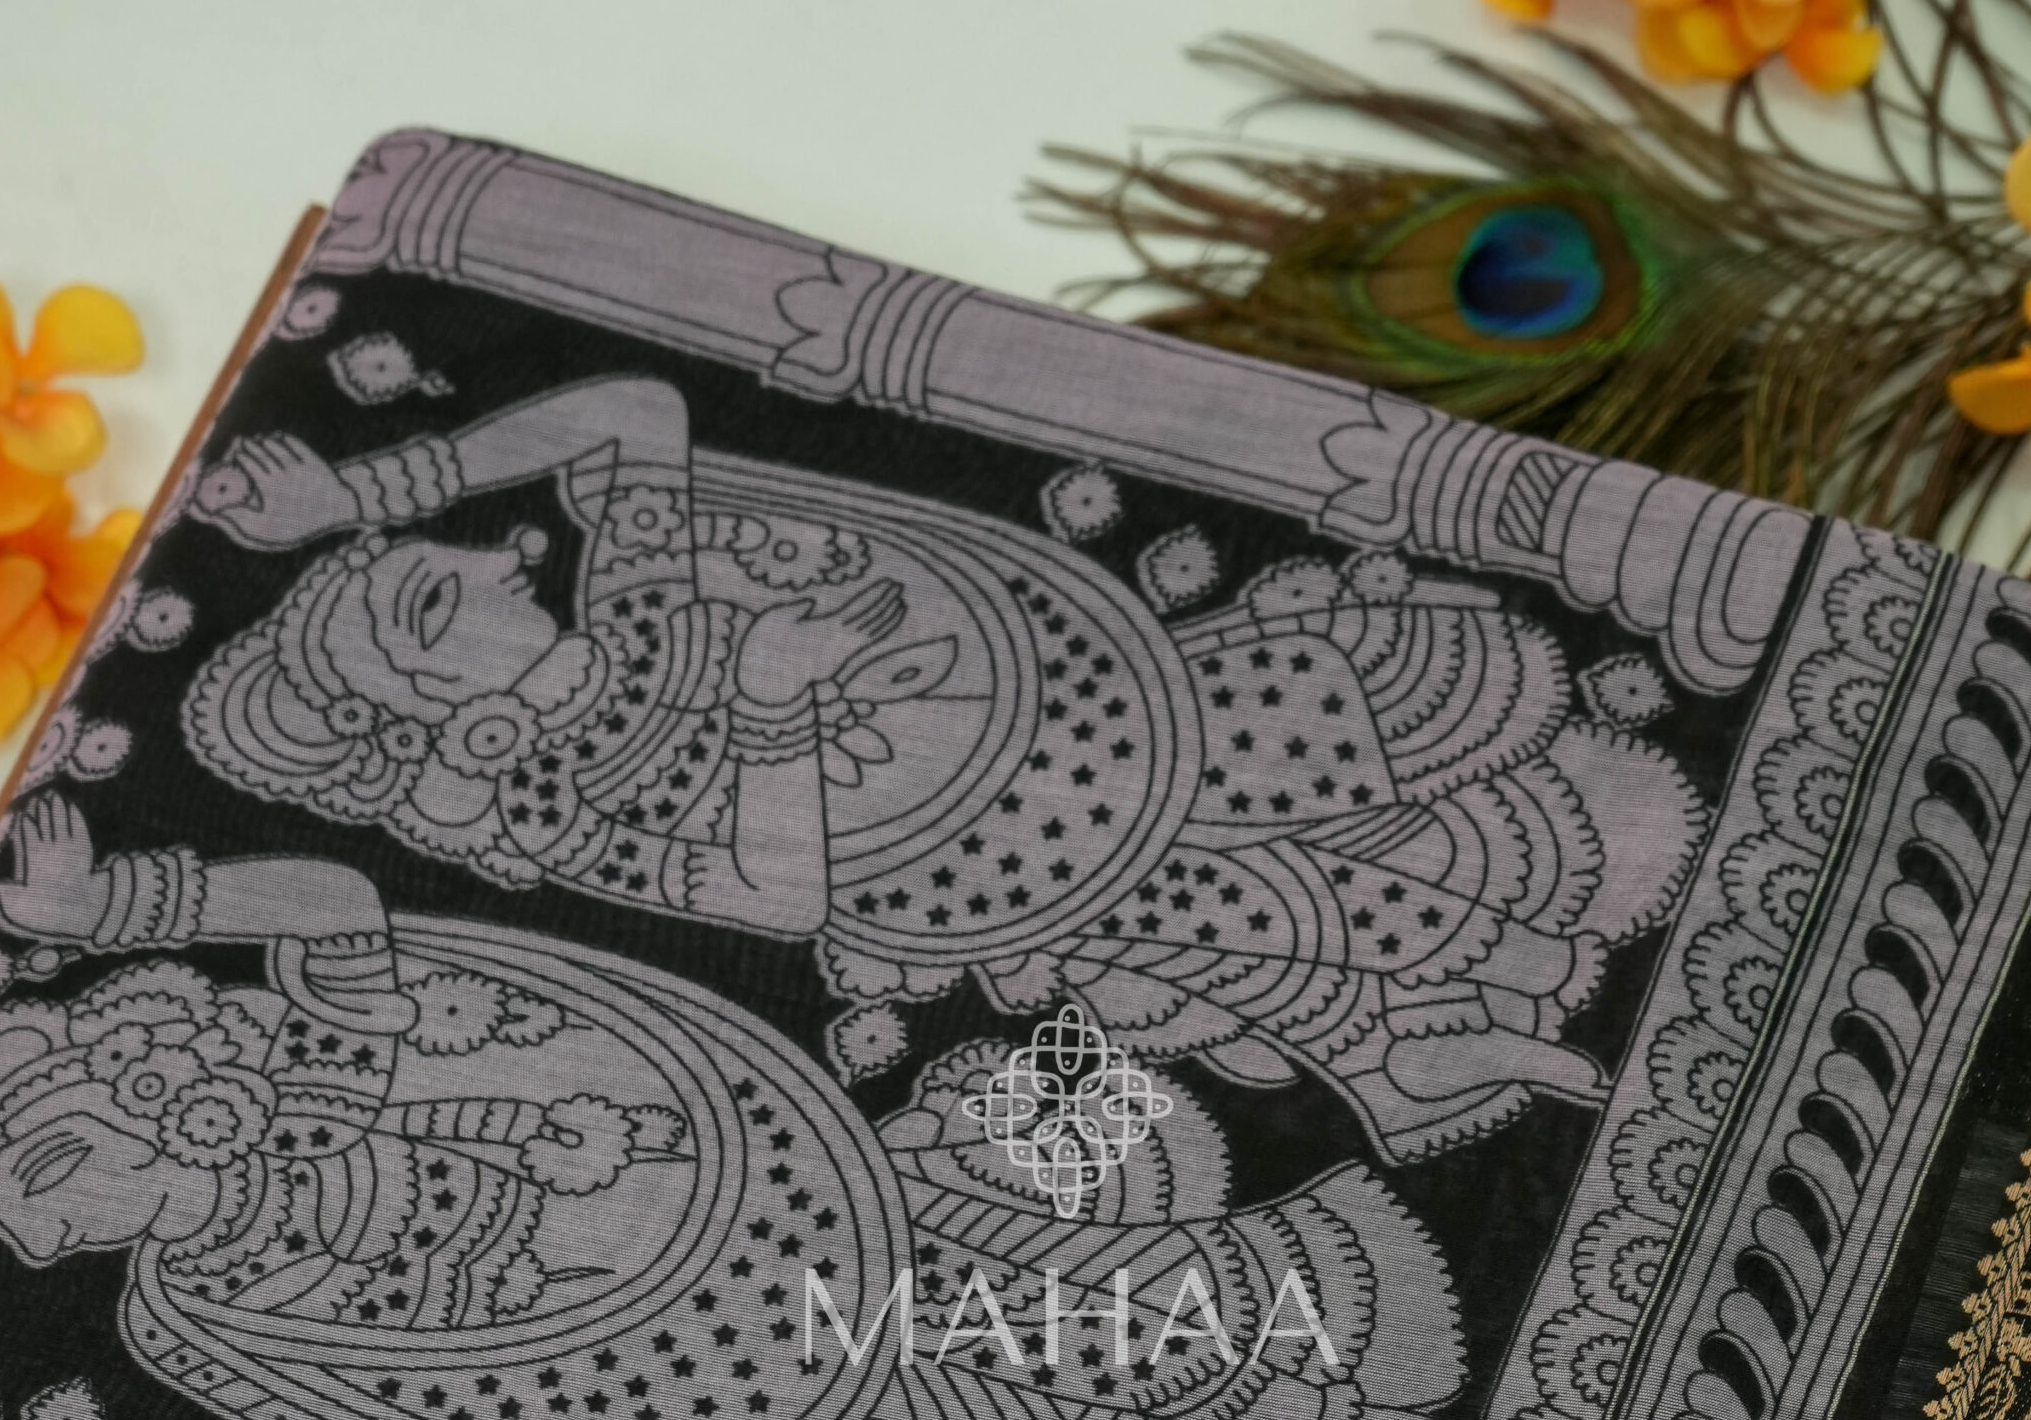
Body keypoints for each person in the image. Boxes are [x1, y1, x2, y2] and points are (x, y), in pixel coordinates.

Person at [0, 794, 1464, 1420]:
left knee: (1082, 1327)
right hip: (685, 1411)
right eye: (31, 1218)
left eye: (54, 1169)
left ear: (158, 1098)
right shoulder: (184, 1321)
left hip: (796, 1228)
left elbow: (332, 898)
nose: (45, 1237)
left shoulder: (326, 1060)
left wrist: (117, 906)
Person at [184, 376, 1706, 1159]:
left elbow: (637, 409)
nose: (490, 554)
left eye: (446, 550)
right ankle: (1450, 1047)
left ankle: (1618, 912)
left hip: (1098, 704)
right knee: (1278, 933)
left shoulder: (631, 588)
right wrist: (770, 706)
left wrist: (366, 490)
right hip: (980, 868)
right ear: (430, 709)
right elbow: (773, 902)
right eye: (429, 601)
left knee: (1389, 705)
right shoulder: (553, 805)